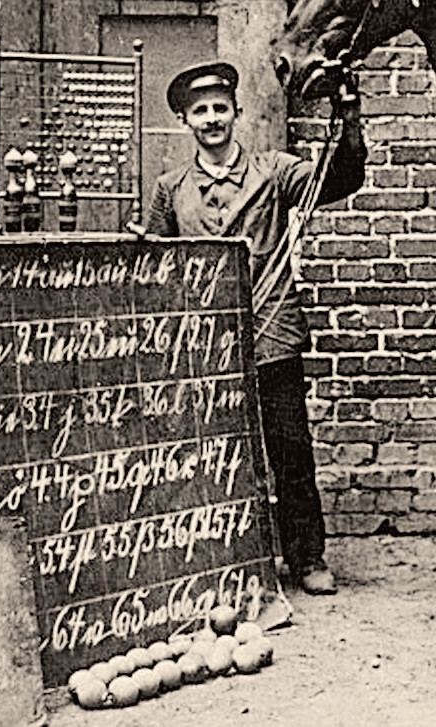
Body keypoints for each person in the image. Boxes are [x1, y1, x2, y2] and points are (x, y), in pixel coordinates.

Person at [146, 60, 366, 596]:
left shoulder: (274, 172)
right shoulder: (170, 189)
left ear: (236, 112)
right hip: (206, 343)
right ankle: (220, 559)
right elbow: (155, 267)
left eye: (220, 108)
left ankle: (306, 557)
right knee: (212, 450)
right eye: (200, 111)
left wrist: (348, 115)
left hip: (272, 332)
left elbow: (340, 178)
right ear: (185, 121)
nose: (211, 119)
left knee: (289, 447)